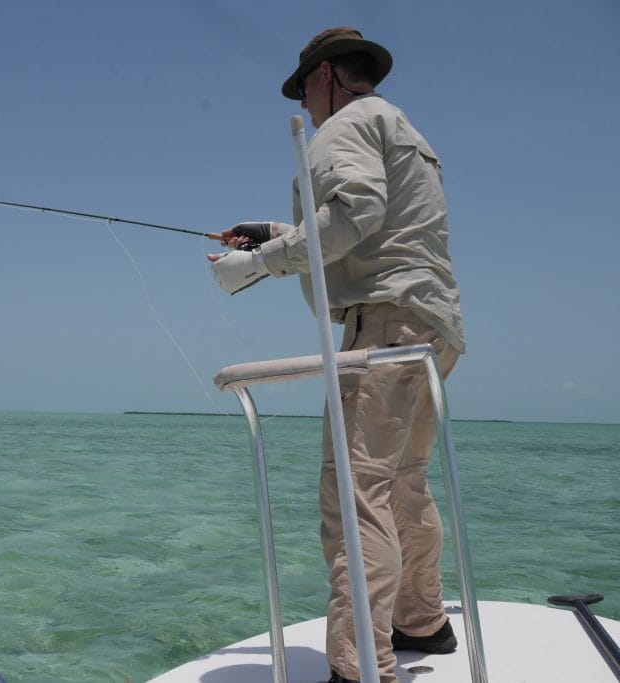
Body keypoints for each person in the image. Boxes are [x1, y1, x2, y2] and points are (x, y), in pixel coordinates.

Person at [208, 27, 465, 683]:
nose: (304, 109)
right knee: (403, 482)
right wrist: (274, 234)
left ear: (324, 77)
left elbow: (354, 214)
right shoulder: (398, 124)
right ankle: (423, 619)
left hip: (382, 328)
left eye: (304, 92)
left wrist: (256, 263)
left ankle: (360, 665)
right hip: (432, 324)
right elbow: (371, 220)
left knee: (356, 496)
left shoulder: (341, 126)